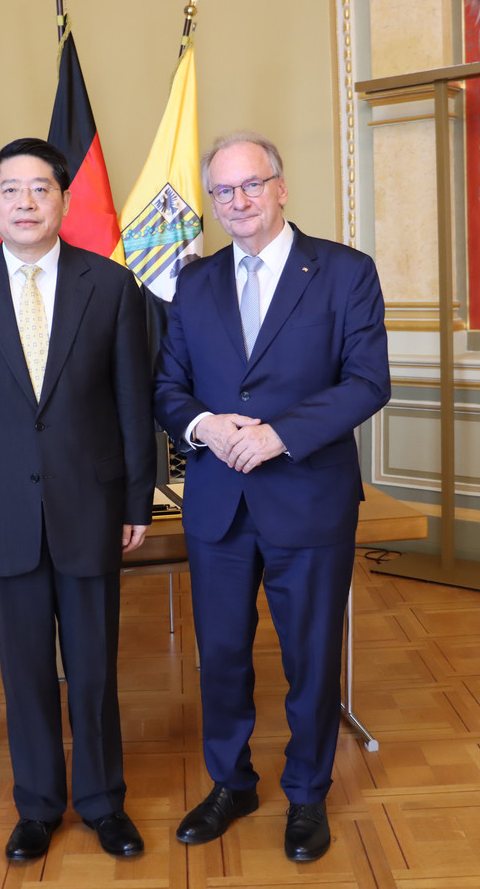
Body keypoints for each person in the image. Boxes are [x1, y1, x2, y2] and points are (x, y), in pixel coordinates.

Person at [154, 132, 390, 862]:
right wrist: (203, 425)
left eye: (251, 185)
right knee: (221, 656)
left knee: (310, 659)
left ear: (281, 187)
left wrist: (280, 435)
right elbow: (168, 386)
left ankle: (308, 794)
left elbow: (367, 382)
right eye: (223, 191)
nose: (238, 201)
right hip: (219, 503)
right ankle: (232, 783)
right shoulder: (193, 282)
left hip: (309, 498)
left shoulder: (346, 273)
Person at [0, 138, 156, 861]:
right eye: (12, 190)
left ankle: (103, 802)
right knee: (23, 670)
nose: (26, 202)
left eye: (41, 189)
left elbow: (132, 404)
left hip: (92, 506)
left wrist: (137, 503)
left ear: (62, 199)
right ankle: (38, 806)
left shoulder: (111, 285)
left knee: (92, 667)